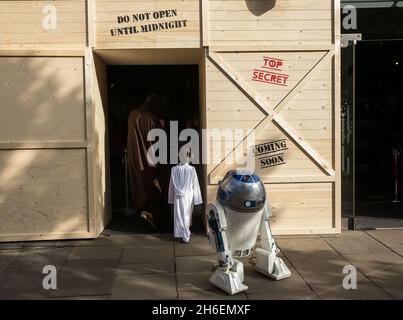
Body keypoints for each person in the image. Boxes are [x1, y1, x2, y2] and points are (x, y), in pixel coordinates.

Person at [127, 94, 163, 229]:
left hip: (134, 159)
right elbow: (160, 142)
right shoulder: (152, 119)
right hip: (150, 161)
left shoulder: (132, 116)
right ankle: (149, 212)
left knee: (138, 186)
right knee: (152, 187)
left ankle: (142, 211)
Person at [168, 145, 202, 243]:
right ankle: (185, 234)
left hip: (178, 196)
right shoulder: (191, 169)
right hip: (188, 196)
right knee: (186, 214)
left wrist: (170, 198)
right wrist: (197, 199)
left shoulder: (174, 169)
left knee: (179, 215)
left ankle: (183, 233)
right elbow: (195, 185)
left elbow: (171, 186)